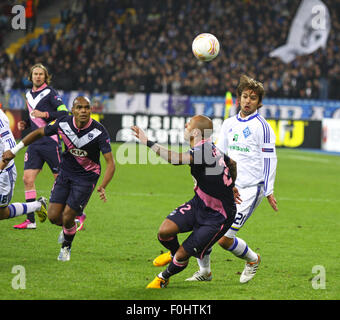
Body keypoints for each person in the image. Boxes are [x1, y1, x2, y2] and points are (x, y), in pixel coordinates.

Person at [187, 75, 278, 283]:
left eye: (252, 98)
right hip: (226, 186)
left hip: (249, 189)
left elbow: (270, 159)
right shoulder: (228, 124)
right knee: (204, 229)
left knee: (225, 239)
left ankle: (253, 260)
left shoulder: (263, 127)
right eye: (245, 96)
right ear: (238, 99)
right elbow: (218, 155)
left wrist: (269, 189)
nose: (247, 101)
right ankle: (205, 272)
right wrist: (203, 181)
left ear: (259, 102)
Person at [131, 115, 240, 288]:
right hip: (200, 204)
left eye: (188, 124)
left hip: (218, 216)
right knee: (165, 232)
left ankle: (163, 278)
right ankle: (174, 254)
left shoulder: (202, 150)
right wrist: (230, 185)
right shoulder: (207, 147)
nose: (185, 125)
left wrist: (147, 141)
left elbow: (175, 160)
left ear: (196, 132)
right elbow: (231, 163)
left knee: (183, 255)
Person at [3, 96, 115, 261]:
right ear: (73, 110)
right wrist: (16, 149)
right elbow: (40, 132)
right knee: (54, 217)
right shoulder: (63, 123)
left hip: (86, 177)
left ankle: (66, 247)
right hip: (66, 172)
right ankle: (70, 228)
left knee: (68, 215)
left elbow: (110, 163)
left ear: (90, 110)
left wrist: (103, 185)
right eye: (79, 108)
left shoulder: (99, 131)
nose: (83, 111)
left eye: (86, 108)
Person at [14, 63, 70, 230]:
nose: (38, 76)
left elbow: (64, 113)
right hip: (34, 143)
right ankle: (30, 220)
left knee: (60, 180)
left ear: (46, 77)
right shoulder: (28, 94)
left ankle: (72, 216)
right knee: (27, 179)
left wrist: (45, 114)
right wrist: (26, 123)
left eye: (41, 74)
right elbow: (33, 117)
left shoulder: (51, 93)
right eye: (35, 74)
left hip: (50, 141)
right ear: (31, 77)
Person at [0, 107, 47, 223]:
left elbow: (10, 145)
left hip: (3, 173)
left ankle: (37, 206)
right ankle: (37, 205)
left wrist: (1, 166)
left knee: (2, 213)